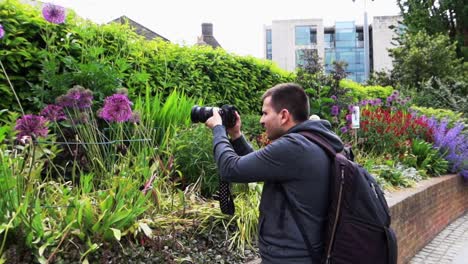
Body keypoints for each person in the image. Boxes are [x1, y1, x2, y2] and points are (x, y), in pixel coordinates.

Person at [204, 83, 343, 264]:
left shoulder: (295, 147)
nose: (261, 120)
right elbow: (261, 166)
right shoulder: (312, 141)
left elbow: (231, 169)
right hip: (305, 253)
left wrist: (218, 129)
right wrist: (236, 136)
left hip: (289, 258)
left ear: (284, 115)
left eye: (265, 113)